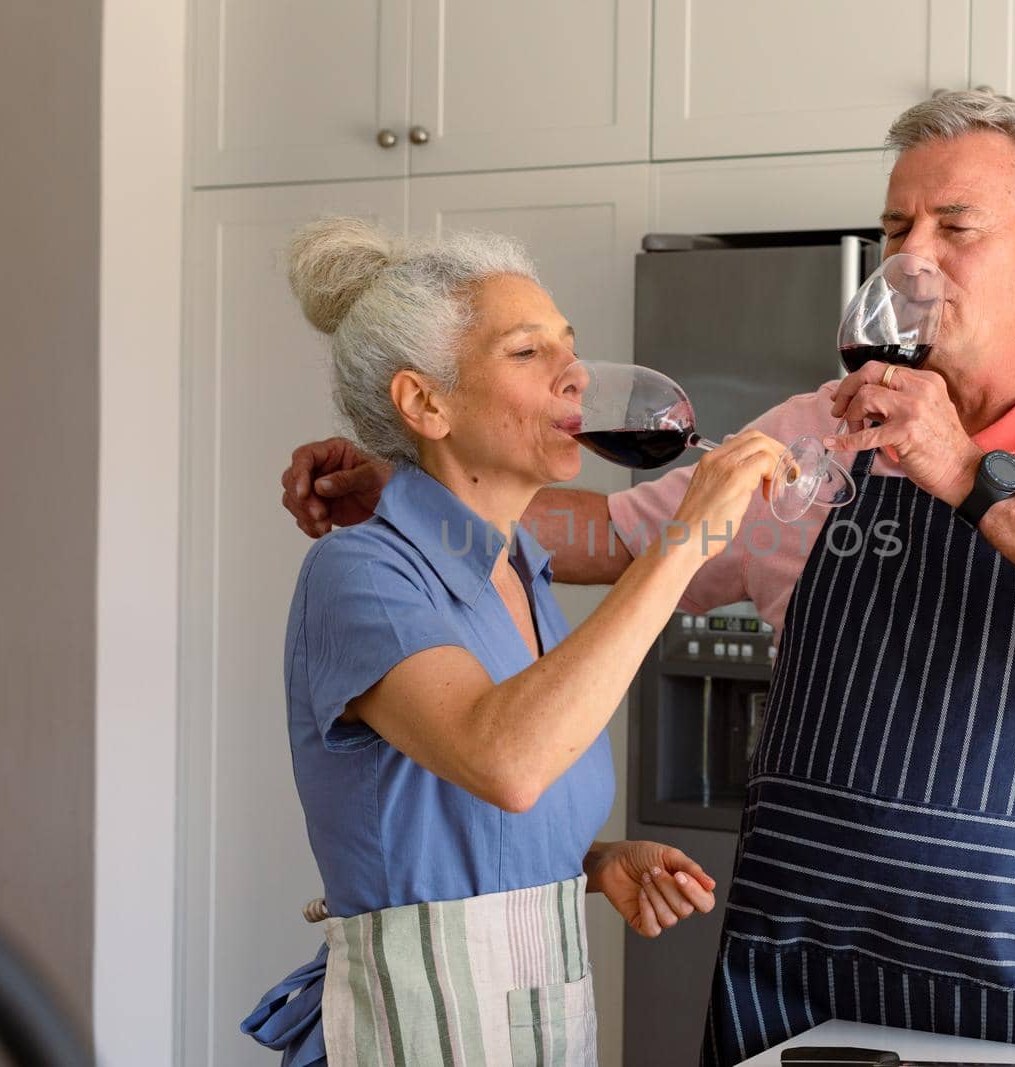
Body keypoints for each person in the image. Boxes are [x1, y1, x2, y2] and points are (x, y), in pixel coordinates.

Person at [279, 91, 1015, 1063]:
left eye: (953, 226)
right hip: (800, 982)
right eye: (894, 225)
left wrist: (967, 475)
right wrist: (415, 483)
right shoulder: (812, 430)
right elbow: (608, 538)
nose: (910, 256)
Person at [244, 218, 785, 1067]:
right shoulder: (361, 574)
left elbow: (467, 821)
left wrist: (591, 861)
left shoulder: (520, 569)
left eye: (568, 346)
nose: (573, 375)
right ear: (426, 402)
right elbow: (505, 758)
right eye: (529, 353)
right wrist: (687, 540)